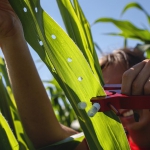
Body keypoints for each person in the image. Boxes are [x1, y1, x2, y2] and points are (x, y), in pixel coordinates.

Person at [0, 0, 150, 150]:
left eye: (129, 85)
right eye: (108, 93)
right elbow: (49, 136)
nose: (121, 100)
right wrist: (10, 33)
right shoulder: (108, 145)